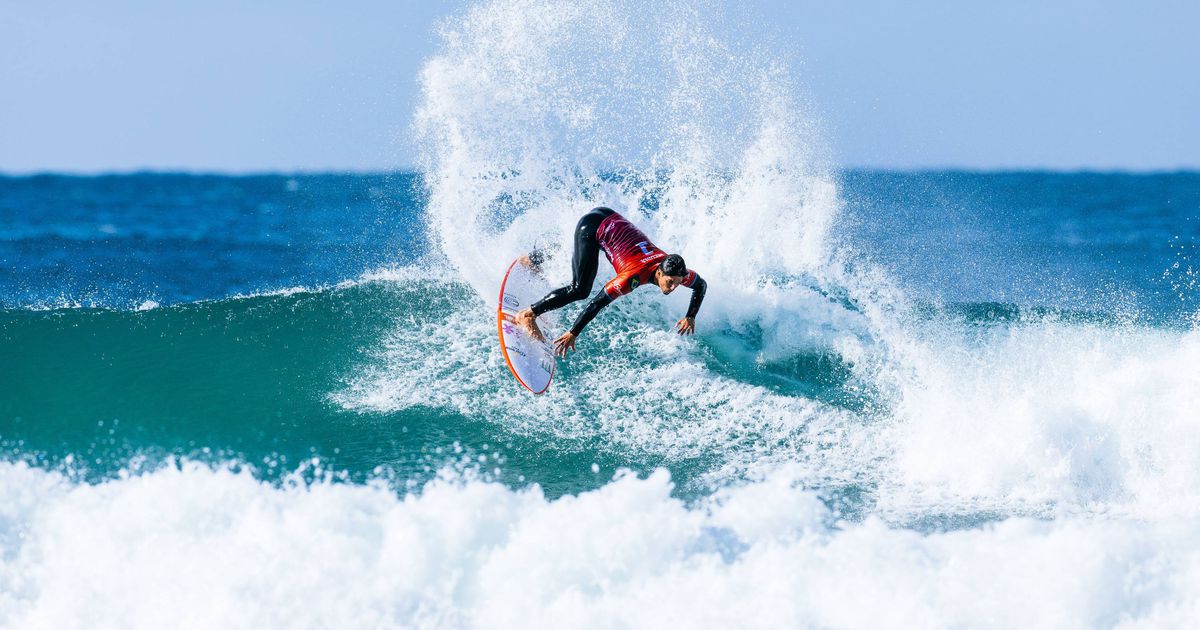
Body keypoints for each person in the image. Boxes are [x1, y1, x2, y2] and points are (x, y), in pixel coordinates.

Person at [515, 206, 707, 357]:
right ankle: (528, 314)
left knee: (584, 259)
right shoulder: (632, 277)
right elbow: (597, 303)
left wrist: (691, 316)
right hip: (592, 228)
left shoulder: (674, 269)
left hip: (610, 218)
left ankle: (532, 260)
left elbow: (701, 285)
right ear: (659, 272)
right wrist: (573, 333)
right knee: (580, 289)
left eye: (677, 283)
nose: (673, 287)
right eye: (670, 282)